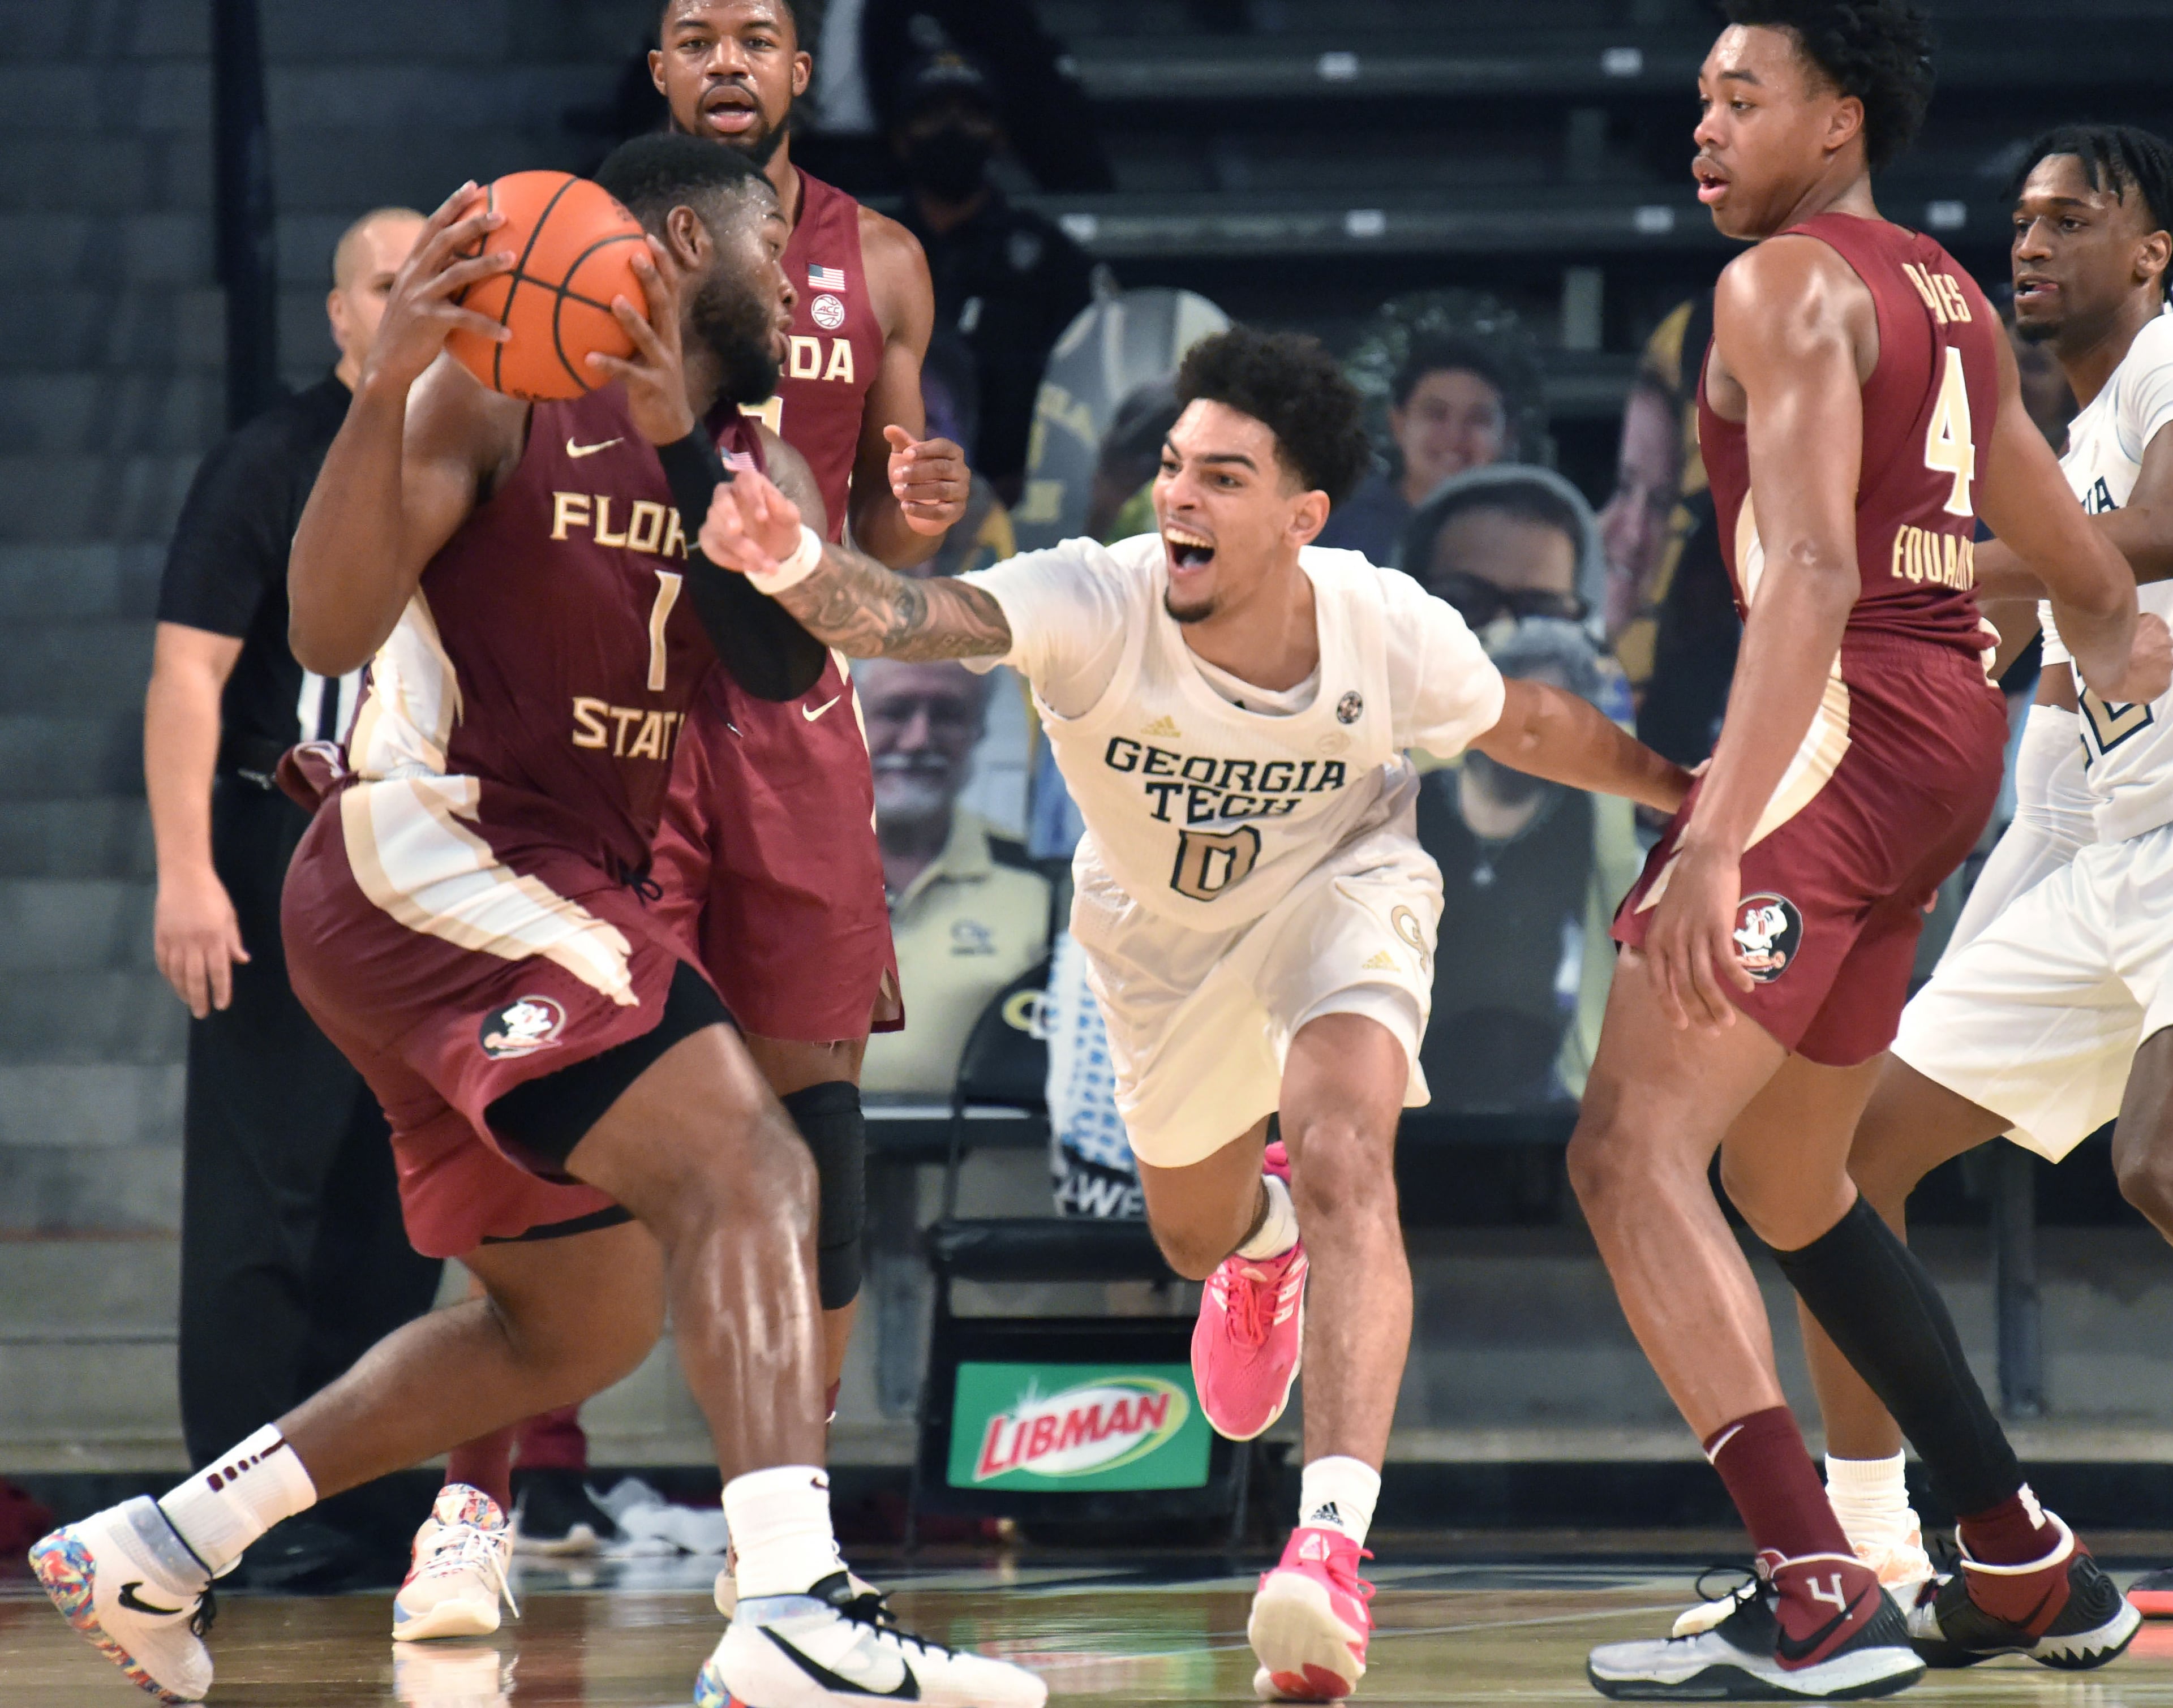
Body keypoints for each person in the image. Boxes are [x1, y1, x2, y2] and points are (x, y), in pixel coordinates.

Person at [32, 146, 1044, 1708]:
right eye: (775, 254)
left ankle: (162, 1544)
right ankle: (790, 1604)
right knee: (750, 1161)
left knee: (569, 1322)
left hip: (534, 882)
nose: (796, 287)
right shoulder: (494, 386)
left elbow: (778, 671)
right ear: (691, 240)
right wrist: (387, 391)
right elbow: (320, 632)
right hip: (435, 861)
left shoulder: (729, 442)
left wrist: (684, 456)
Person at [695, 324, 1691, 1701]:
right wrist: (796, 563)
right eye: (1171, 466)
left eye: (1222, 477)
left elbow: (1524, 723)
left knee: (1345, 1141)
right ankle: (1259, 1241)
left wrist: (1679, 793)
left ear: (1301, 516)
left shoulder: (1381, 624)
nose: (1178, 497)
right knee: (1187, 1225)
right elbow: (920, 619)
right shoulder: (1089, 600)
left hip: (1343, 889)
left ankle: (1327, 1550)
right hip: (1159, 942)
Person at [1572, 6, 2169, 1697]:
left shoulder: (1775, 284)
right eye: (1695, 97)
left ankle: (1813, 1584)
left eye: (1736, 97)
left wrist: (1705, 845)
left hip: (1833, 723)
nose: (1700, 126)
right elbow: (2078, 560)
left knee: (1624, 1150)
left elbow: (1814, 578)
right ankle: (2012, 1550)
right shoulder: (1948, 295)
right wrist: (2110, 637)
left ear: (1834, 121)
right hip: (1938, 748)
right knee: (1786, 1179)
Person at [432, 0, 980, 1555]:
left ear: (807, 71)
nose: (729, 62)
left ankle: (781, 1529)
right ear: (659, 71)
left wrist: (919, 514)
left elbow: (885, 531)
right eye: (697, 37)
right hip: (609, 695)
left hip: (789, 712)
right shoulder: (560, 236)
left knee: (822, 1130)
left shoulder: (880, 262)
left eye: (759, 36)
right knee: (556, 1100)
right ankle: (484, 1500)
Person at [1779, 123, 2173, 1621]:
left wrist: (1918, 556)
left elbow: (2148, 539)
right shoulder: (2047, 438)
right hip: (2112, 855)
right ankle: (1872, 1537)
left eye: (2079, 217)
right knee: (1832, 1163)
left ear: (2155, 254)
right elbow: (2021, 664)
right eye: (2022, 217)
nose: (2037, 239)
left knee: (2159, 1162)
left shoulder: (2166, 372)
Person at [148, 205, 445, 1586]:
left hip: (437, 856)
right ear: (337, 312)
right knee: (261, 1202)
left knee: (403, 1201)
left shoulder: (472, 447)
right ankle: (235, 1520)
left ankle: (375, 1511)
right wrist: (188, 874)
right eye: (383, 285)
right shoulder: (266, 459)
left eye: (426, 283)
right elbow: (188, 676)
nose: (402, 304)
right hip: (281, 843)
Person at [1401, 469, 1643, 1107]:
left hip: (1562, 1135)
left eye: (1542, 613)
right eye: (1469, 604)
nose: (1507, 638)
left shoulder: (1612, 780)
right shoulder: (1350, 761)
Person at [891, 51, 1099, 504]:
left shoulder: (1050, 259)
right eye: (933, 115)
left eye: (971, 115)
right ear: (902, 138)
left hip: (1019, 502)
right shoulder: (865, 246)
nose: (953, 130)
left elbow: (1082, 388)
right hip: (886, 492)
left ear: (999, 136)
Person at [857, 658, 1052, 1097]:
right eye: (894, 711)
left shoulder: (1044, 888)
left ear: (979, 730)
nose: (918, 738)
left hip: (987, 1163)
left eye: (947, 714)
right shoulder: (776, 875)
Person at [1315, 334, 1527, 566]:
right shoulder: (1333, 529)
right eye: (1436, 414)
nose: (1455, 435)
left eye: (1478, 418)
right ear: (1398, 424)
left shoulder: (1531, 536)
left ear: (1507, 435)